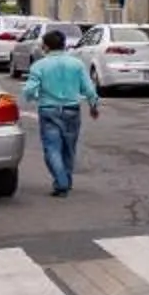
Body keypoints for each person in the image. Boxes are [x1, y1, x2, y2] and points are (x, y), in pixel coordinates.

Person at [21, 28, 100, 197]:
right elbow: (88, 88)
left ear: (46, 47)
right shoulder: (76, 64)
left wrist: (35, 96)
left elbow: (29, 91)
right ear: (64, 45)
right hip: (72, 110)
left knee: (52, 148)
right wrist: (93, 105)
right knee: (69, 148)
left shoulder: (39, 66)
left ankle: (61, 182)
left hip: (49, 110)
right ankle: (66, 180)